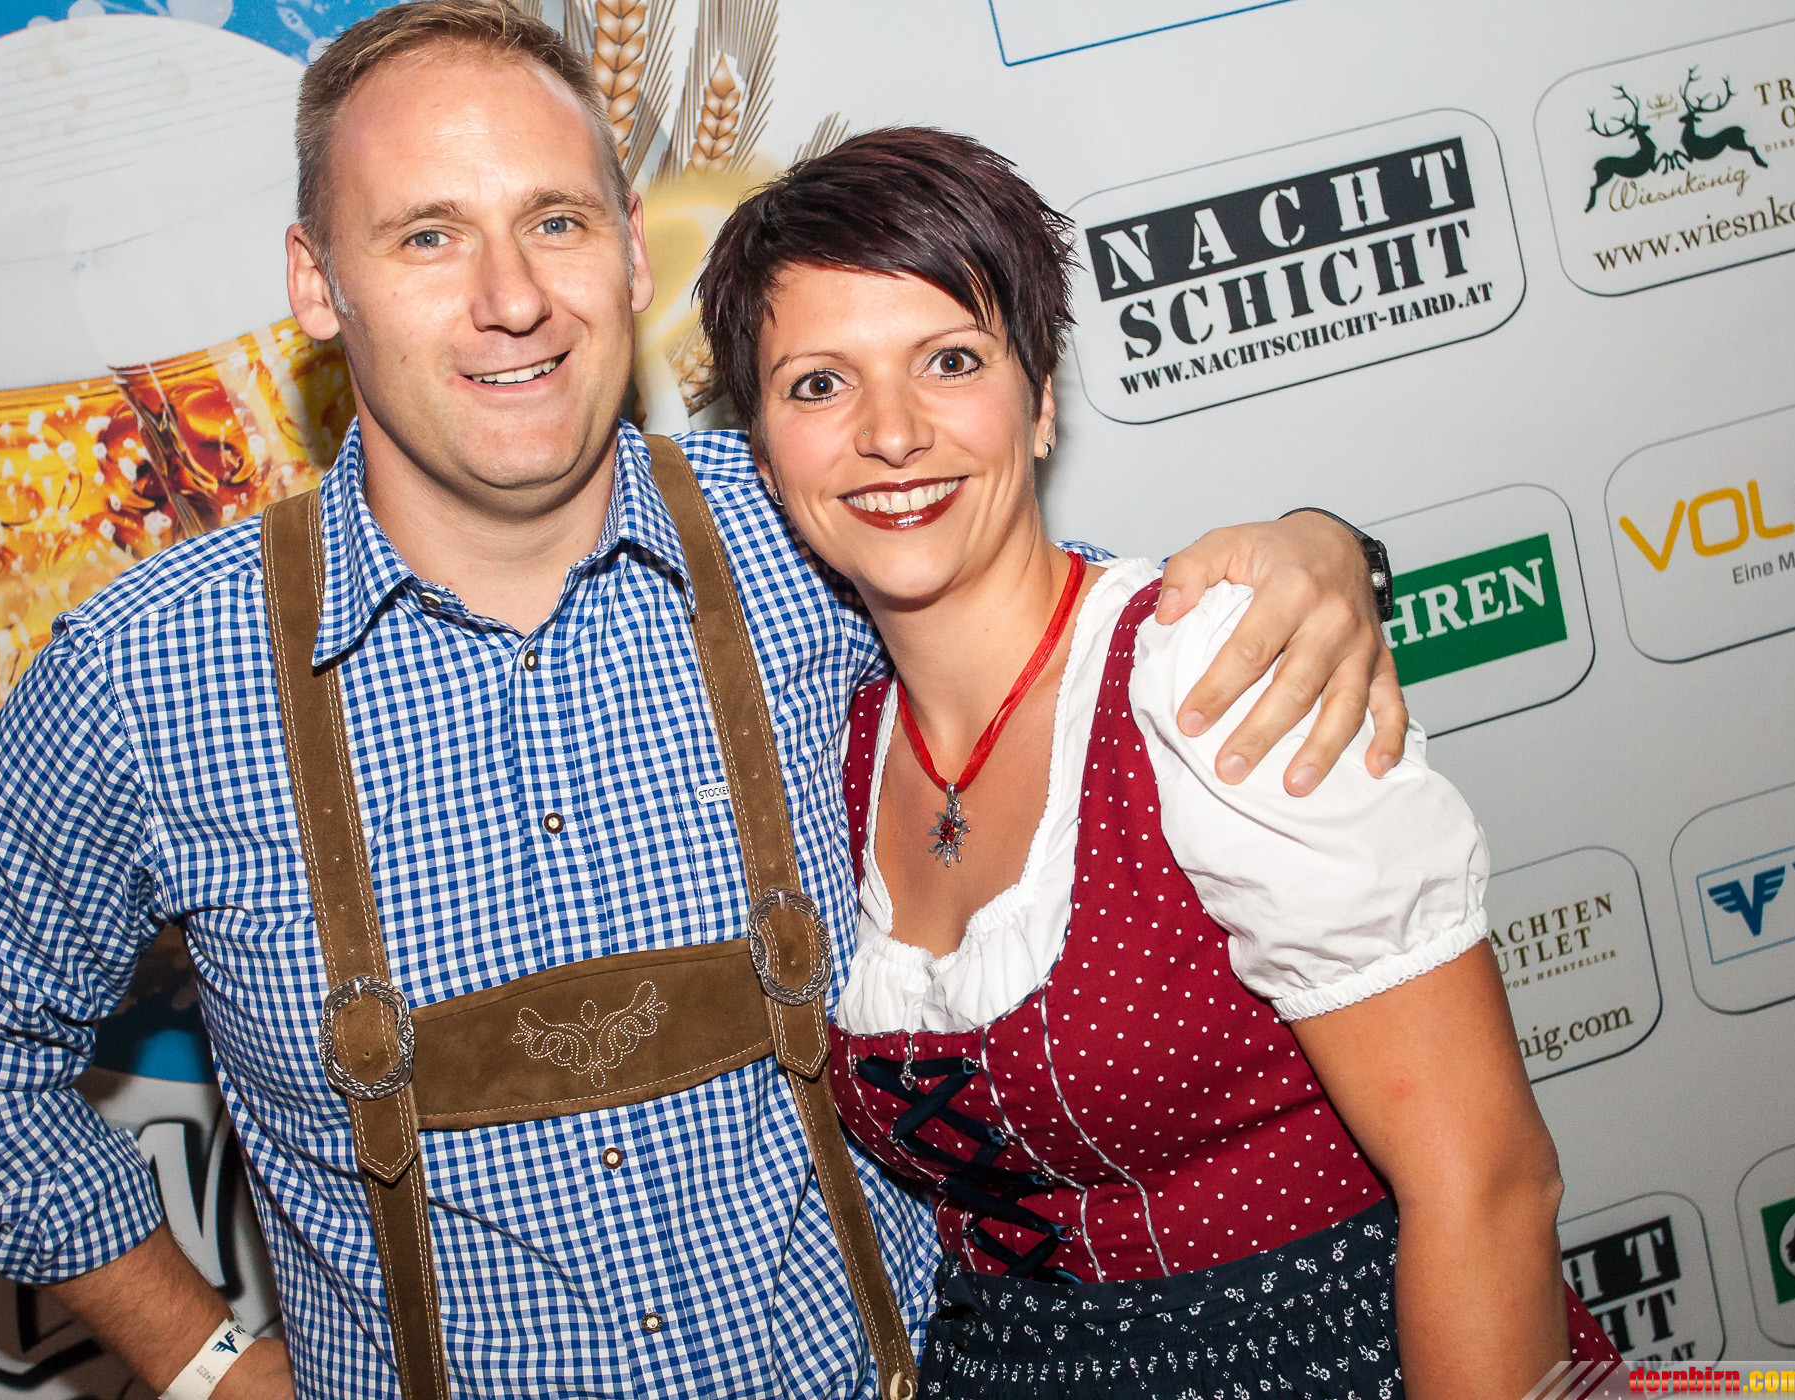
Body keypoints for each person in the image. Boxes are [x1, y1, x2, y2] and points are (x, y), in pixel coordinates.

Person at [0, 5, 1406, 1399]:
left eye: (555, 221)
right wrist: (206, 1367)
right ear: (315, 285)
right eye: (427, 237)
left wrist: (1321, 552)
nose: (512, 299)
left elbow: (1101, 648)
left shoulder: (820, 527)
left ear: (632, 254)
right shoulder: (146, 676)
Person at [695, 127, 1624, 1399]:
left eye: (951, 360)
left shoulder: (1208, 675)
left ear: (1041, 402)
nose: (892, 432)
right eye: (818, 385)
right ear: (761, 454)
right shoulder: (836, 751)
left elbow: (1489, 1183)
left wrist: (1322, 539)